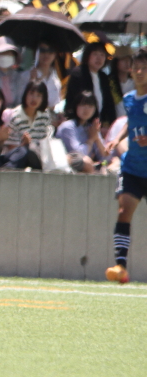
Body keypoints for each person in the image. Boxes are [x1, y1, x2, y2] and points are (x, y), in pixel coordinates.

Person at [105, 47, 147, 284]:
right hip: (132, 168)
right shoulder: (130, 99)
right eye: (136, 68)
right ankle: (120, 266)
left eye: (144, 68)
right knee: (124, 211)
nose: (140, 72)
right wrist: (118, 138)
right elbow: (130, 122)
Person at [64, 41, 117, 130]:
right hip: (79, 124)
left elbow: (108, 102)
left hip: (98, 124)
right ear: (87, 55)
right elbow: (78, 101)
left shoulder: (103, 77)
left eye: (102, 55)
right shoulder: (78, 73)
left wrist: (111, 123)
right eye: (95, 54)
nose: (99, 58)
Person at [2, 80, 52, 169]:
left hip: (40, 158)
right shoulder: (15, 116)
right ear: (25, 94)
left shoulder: (44, 116)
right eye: (31, 94)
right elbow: (10, 147)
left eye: (38, 95)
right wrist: (24, 144)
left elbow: (45, 142)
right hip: (19, 158)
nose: (34, 98)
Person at [56, 91, 106, 174]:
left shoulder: (92, 127)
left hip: (89, 166)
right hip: (68, 166)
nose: (86, 109)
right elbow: (78, 154)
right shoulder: (68, 127)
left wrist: (96, 138)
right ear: (76, 106)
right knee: (86, 161)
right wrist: (91, 139)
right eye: (83, 105)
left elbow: (104, 155)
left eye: (90, 106)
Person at [29, 41, 62, 109]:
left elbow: (54, 106)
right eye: (42, 50)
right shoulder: (26, 76)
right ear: (36, 52)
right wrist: (31, 83)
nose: (46, 54)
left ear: (55, 54)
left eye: (51, 51)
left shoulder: (56, 80)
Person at [107, 46, 135, 119]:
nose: (127, 63)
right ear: (116, 62)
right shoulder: (109, 82)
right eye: (123, 60)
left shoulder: (135, 82)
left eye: (129, 60)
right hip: (114, 121)